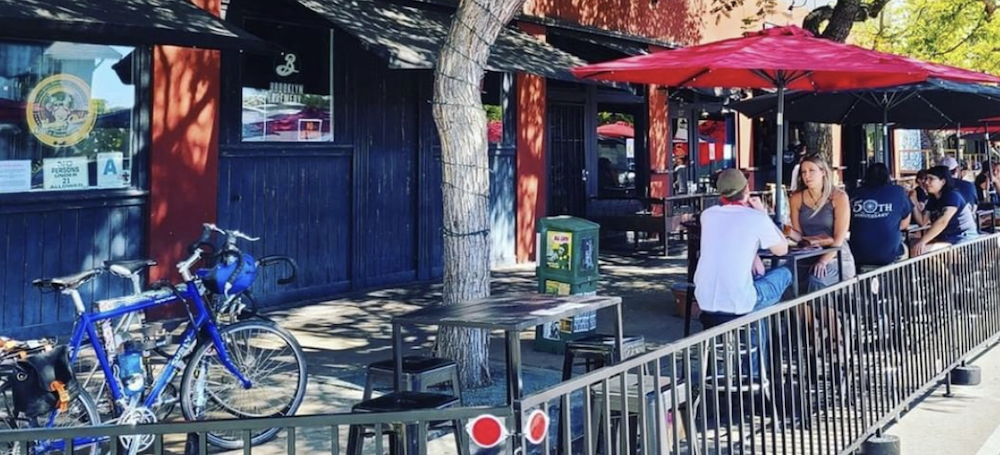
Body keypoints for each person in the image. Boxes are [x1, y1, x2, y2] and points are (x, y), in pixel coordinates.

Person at [694, 169, 792, 377]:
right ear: (747, 190)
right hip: (738, 301)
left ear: (721, 194)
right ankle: (755, 374)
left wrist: (753, 257)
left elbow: (730, 242)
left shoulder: (708, 216)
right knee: (785, 274)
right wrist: (763, 215)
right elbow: (782, 249)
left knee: (757, 302)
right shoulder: (755, 218)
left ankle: (750, 372)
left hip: (705, 300)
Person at [788, 155, 857, 292]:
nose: (807, 175)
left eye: (811, 171)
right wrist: (786, 232)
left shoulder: (838, 197)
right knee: (787, 281)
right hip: (808, 253)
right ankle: (805, 314)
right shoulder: (796, 198)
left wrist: (823, 260)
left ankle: (829, 313)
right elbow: (799, 236)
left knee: (816, 281)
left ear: (823, 173)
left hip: (836, 255)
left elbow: (839, 237)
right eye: (803, 172)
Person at [849, 163, 912, 270]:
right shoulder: (897, 192)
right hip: (890, 255)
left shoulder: (855, 193)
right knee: (907, 249)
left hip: (857, 255)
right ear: (888, 176)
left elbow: (849, 224)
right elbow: (904, 225)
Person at [910, 165, 979, 255]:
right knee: (912, 245)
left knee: (920, 251)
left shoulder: (952, 196)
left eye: (931, 179)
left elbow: (943, 221)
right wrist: (913, 200)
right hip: (946, 239)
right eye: (926, 178)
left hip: (963, 240)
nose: (926, 182)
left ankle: (943, 269)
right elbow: (922, 221)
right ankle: (941, 269)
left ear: (943, 181)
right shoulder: (933, 199)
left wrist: (922, 241)